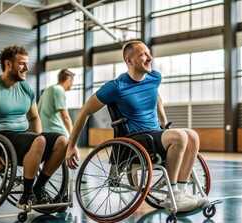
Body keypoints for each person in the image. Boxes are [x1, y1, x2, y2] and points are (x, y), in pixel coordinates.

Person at [65, 40, 208, 212]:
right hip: (137, 139)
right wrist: (71, 145)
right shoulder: (116, 87)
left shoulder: (155, 77)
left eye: (148, 53)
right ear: (129, 61)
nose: (150, 58)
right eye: (143, 55)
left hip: (155, 133)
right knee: (181, 136)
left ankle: (180, 193)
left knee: (192, 135)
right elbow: (85, 112)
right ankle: (173, 195)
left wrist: (164, 121)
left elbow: (157, 96)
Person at [0, 45, 68, 208]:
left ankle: (38, 187)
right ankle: (26, 195)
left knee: (62, 141)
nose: (27, 68)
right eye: (22, 64)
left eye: (27, 64)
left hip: (23, 138)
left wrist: (39, 145)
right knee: (40, 140)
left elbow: (34, 117)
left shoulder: (26, 90)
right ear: (8, 64)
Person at [38, 69, 75, 138]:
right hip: (56, 133)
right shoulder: (59, 90)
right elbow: (66, 117)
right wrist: (73, 136)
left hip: (43, 132)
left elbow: (38, 110)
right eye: (72, 81)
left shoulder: (48, 90)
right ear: (69, 81)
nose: (72, 84)